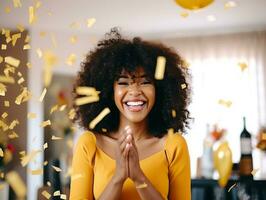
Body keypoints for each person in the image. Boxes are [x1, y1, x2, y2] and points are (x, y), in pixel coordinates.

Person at [69, 28, 191, 200]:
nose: (134, 91)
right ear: (108, 91)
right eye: (123, 82)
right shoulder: (89, 144)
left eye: (145, 82)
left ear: (161, 90)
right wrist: (118, 177)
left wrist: (138, 176)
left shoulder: (174, 145)